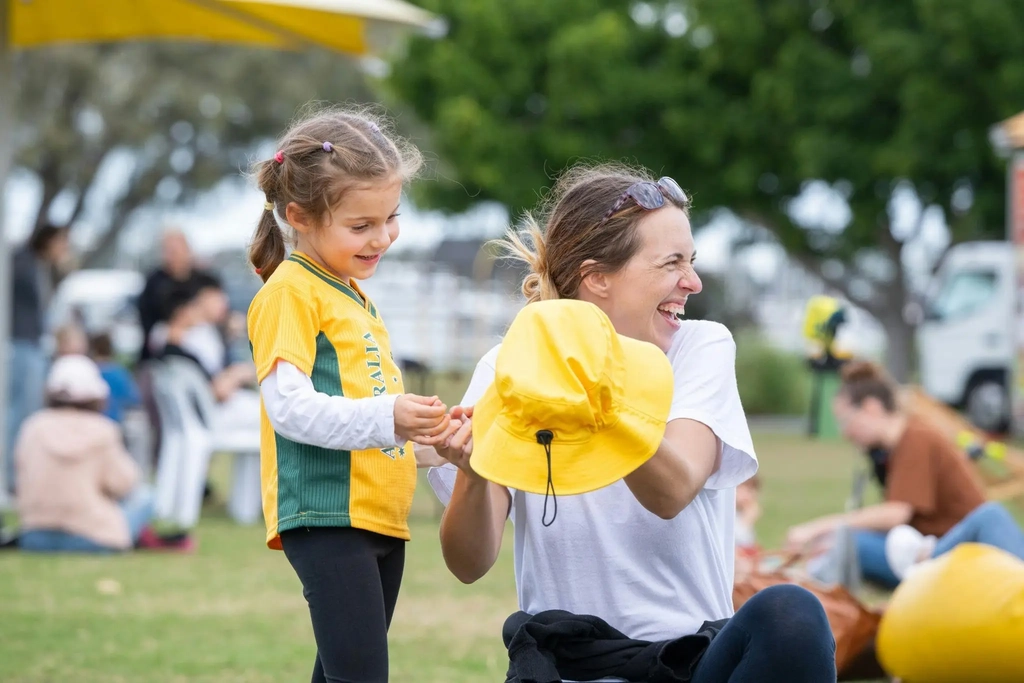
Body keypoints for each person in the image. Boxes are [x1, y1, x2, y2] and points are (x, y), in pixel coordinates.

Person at [427, 163, 836, 683]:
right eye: (672, 264)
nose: (693, 281)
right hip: (572, 665)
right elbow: (468, 563)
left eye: (691, 261)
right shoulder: (507, 367)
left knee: (790, 614)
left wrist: (594, 395)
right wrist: (473, 469)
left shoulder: (700, 348)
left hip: (690, 662)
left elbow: (671, 491)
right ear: (597, 277)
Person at [246, 106, 460, 683]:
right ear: (300, 216)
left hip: (380, 518)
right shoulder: (289, 292)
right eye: (361, 226)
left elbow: (370, 425)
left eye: (391, 218)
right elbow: (289, 410)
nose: (383, 238)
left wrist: (437, 440)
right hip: (328, 518)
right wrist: (391, 415)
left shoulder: (354, 297)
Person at [786, 360, 992, 589]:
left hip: (959, 558)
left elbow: (895, 515)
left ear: (871, 408)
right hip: (937, 550)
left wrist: (816, 529)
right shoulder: (899, 443)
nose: (845, 433)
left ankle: (809, 593)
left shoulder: (915, 439)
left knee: (852, 544)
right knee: (840, 541)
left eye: (845, 420)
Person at [16, 355, 154, 553]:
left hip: (34, 535)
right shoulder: (103, 430)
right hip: (94, 537)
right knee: (146, 496)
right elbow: (125, 483)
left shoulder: (33, 427)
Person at [5, 223, 71, 493]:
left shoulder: (41, 267)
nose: (65, 249)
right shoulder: (22, 263)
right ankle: (9, 478)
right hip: (21, 344)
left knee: (29, 412)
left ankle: (20, 475)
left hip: (33, 344)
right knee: (20, 414)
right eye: (62, 243)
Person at [90, 332, 142, 425]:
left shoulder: (89, 372)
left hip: (92, 424)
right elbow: (134, 400)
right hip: (115, 424)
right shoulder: (119, 373)